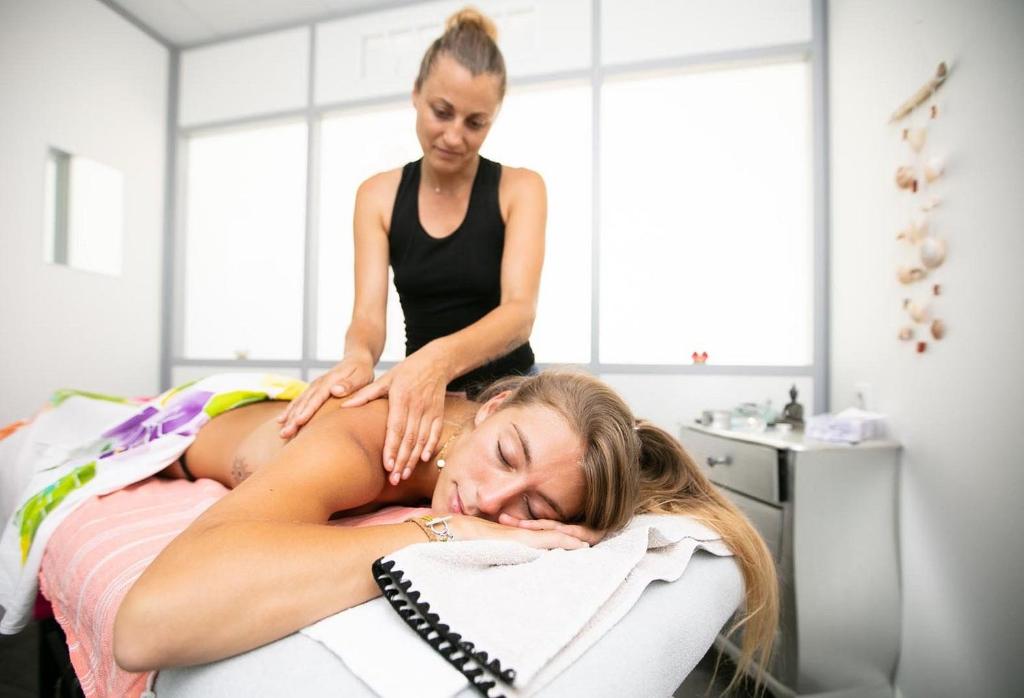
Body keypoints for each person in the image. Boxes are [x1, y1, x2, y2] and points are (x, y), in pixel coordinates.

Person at [114, 370, 778, 692]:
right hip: (190, 419)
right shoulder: (359, 445)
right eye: (505, 456)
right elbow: (147, 624)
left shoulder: (528, 433)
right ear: (490, 407)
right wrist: (438, 531)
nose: (491, 501)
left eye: (538, 508)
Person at [278, 8, 547, 490]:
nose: (453, 136)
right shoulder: (377, 195)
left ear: (494, 118)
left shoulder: (520, 188)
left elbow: (518, 314)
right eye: (441, 112)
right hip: (425, 389)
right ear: (415, 96)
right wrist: (358, 357)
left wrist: (435, 360)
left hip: (510, 392)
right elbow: (367, 318)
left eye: (475, 122)